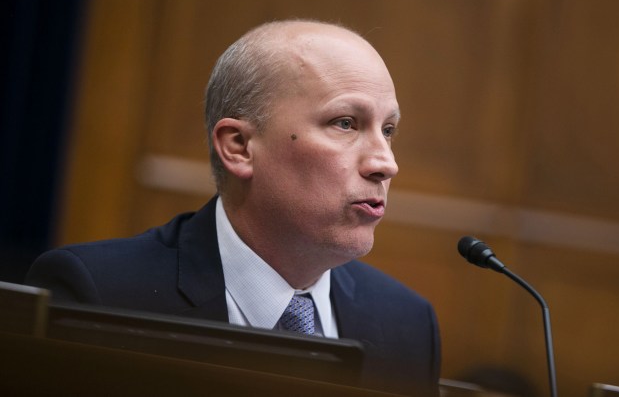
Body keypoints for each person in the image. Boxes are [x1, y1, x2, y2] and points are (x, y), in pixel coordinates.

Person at [26, 19, 441, 396]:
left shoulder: (407, 324)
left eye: (388, 130)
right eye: (346, 123)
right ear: (239, 147)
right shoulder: (100, 295)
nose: (386, 163)